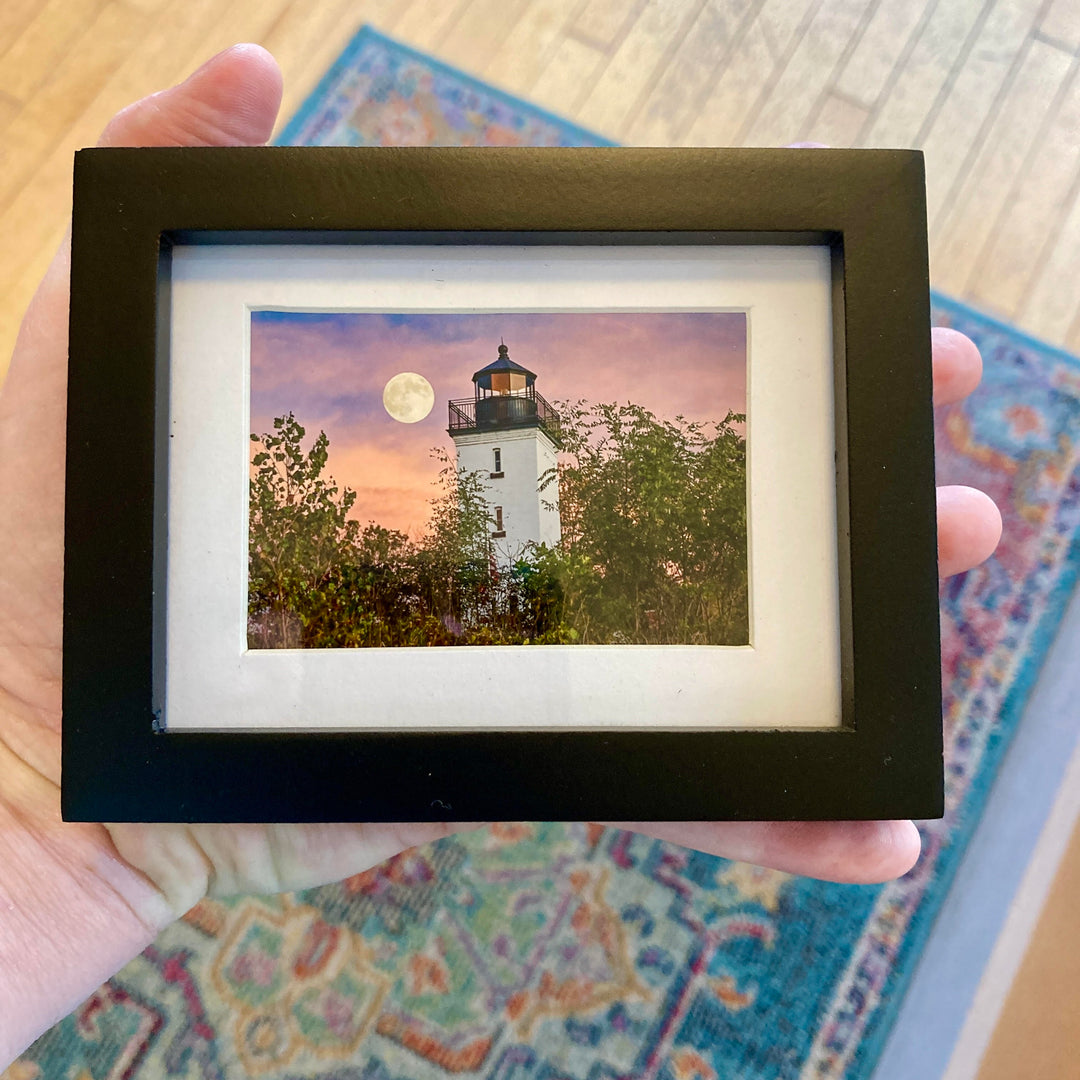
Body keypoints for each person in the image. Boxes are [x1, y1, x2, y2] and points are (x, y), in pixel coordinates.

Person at [0, 44, 1002, 1065]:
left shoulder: (524, 438)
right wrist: (29, 803)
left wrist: (31, 816)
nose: (500, 390)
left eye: (505, 387)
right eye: (497, 387)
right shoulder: (501, 439)